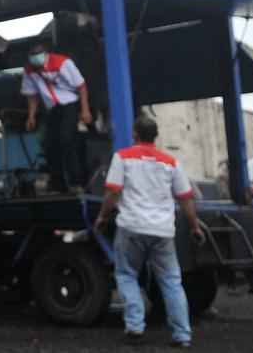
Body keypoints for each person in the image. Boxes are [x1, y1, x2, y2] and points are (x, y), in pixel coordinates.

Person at [94, 116, 205, 348]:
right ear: (156, 135)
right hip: (163, 231)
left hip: (131, 227)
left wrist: (103, 216)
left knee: (126, 275)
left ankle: (135, 325)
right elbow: (185, 199)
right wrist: (195, 226)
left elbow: (113, 192)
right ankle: (182, 335)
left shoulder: (122, 157)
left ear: (135, 134)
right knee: (172, 282)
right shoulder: (170, 162)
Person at [22, 42, 92, 193]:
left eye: (38, 55)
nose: (36, 59)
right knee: (50, 144)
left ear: (45, 53)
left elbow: (81, 86)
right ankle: (58, 184)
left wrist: (85, 110)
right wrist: (31, 116)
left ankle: (76, 182)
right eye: (32, 56)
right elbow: (31, 94)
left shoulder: (62, 62)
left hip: (70, 104)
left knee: (67, 139)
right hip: (52, 108)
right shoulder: (29, 71)